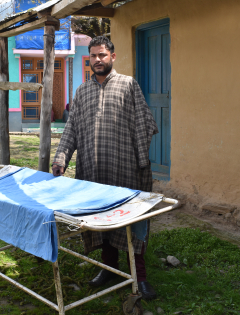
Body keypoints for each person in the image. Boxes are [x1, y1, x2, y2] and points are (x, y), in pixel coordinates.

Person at [52, 36, 159, 300]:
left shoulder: (128, 85)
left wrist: (141, 161)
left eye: (102, 55)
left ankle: (140, 277)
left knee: (134, 222)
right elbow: (72, 129)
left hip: (125, 170)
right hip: (93, 172)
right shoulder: (81, 91)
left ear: (113, 56)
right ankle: (110, 269)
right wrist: (61, 158)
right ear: (88, 58)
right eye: (93, 56)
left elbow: (145, 123)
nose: (97, 60)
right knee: (100, 219)